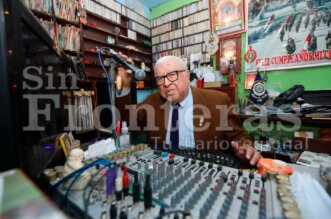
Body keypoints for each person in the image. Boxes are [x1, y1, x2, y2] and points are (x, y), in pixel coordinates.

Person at [117, 54, 261, 166]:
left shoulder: (219, 101)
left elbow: (240, 137)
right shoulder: (151, 102)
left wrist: (245, 148)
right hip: (162, 170)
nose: (166, 83)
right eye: (160, 78)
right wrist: (123, 87)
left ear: (187, 76)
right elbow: (126, 124)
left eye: (172, 75)